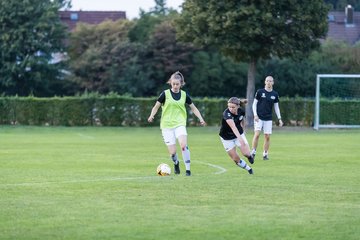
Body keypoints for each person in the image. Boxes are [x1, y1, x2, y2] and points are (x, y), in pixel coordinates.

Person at [148, 71, 206, 176]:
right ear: (170, 83)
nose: (175, 86)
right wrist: (152, 115)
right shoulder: (165, 94)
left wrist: (201, 118)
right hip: (166, 126)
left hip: (180, 124)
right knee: (173, 153)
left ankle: (188, 170)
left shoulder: (184, 95)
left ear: (181, 84)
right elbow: (156, 106)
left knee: (183, 145)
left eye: (177, 84)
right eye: (173, 84)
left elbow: (193, 108)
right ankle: (176, 163)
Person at [251, 76, 283, 161]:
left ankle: (265, 154)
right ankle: (253, 152)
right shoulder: (260, 92)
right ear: (265, 82)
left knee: (267, 136)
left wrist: (279, 119)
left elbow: (276, 107)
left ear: (273, 83)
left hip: (268, 118)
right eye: (267, 81)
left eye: (270, 81)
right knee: (257, 134)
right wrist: (255, 115)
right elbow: (254, 104)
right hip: (259, 117)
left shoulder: (275, 94)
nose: (269, 82)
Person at [219, 97, 254, 175]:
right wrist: (240, 139)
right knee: (235, 159)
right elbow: (233, 127)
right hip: (226, 138)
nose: (230, 109)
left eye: (233, 107)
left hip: (239, 134)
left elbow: (242, 120)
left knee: (246, 153)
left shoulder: (241, 111)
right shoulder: (226, 114)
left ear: (238, 106)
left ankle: (250, 156)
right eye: (229, 107)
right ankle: (249, 169)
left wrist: (243, 130)